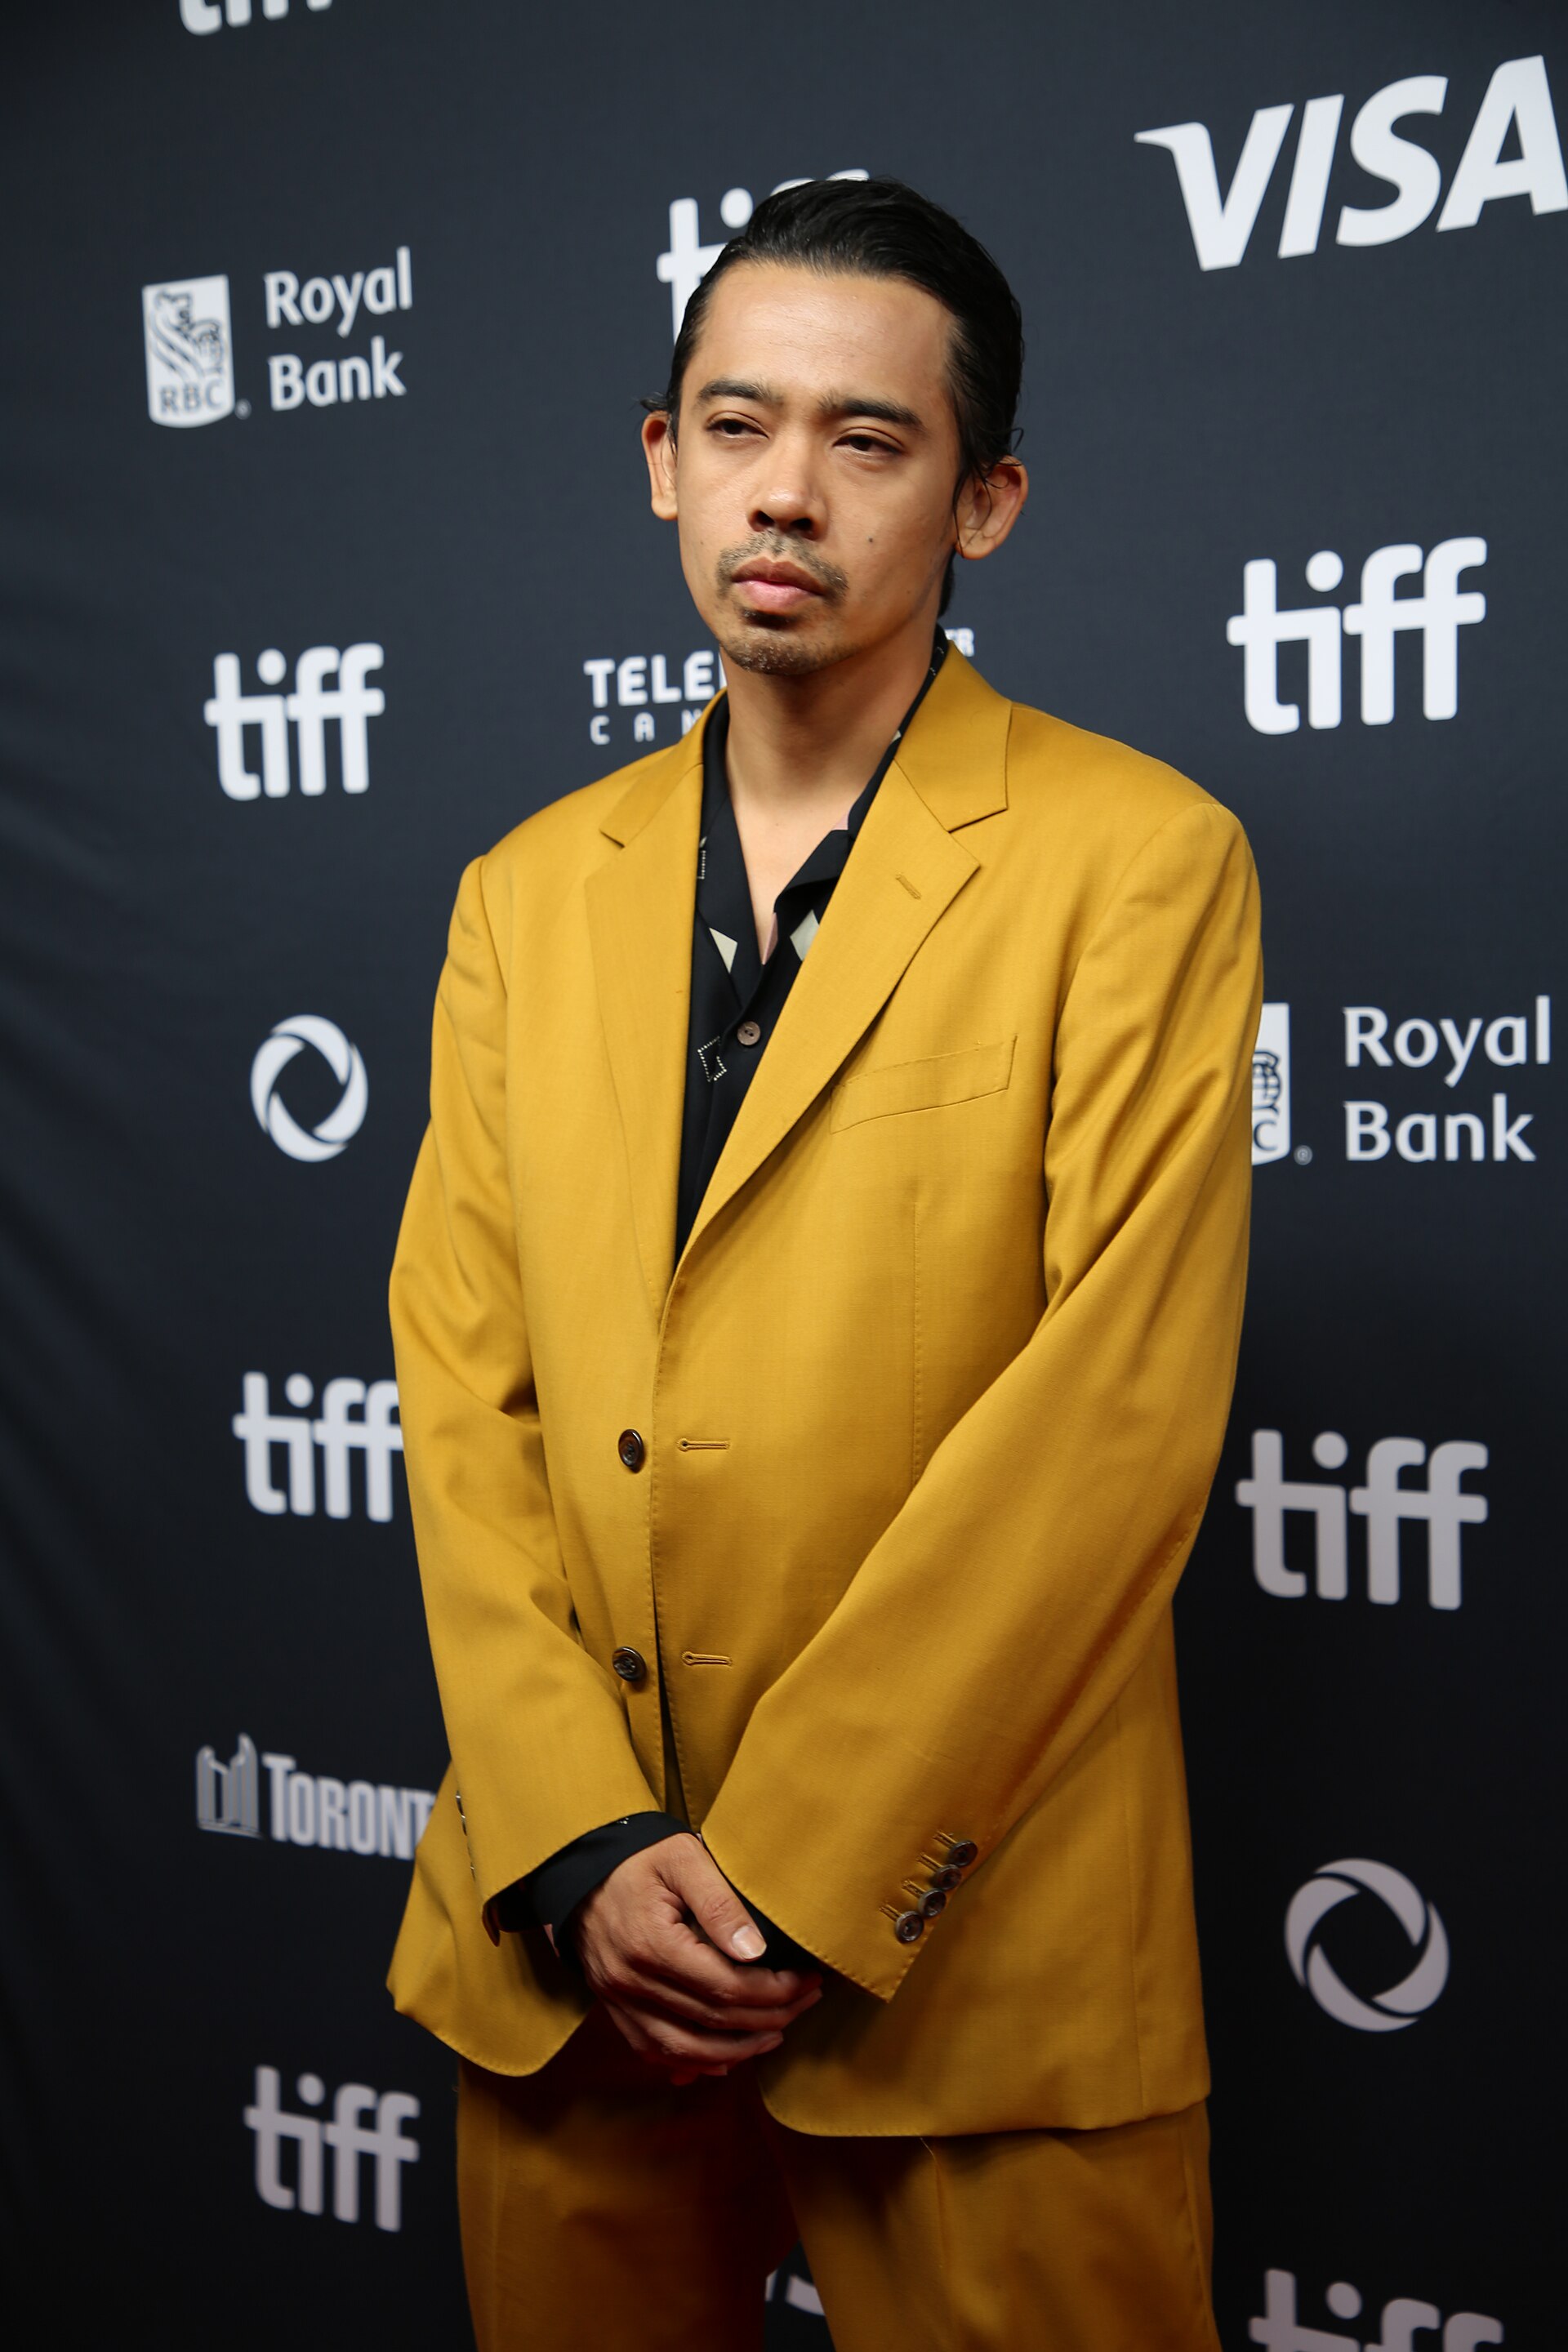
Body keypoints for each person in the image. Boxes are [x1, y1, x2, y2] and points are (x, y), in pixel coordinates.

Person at [388, 175, 1260, 2351]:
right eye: (740, 422)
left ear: (986, 502)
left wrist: (781, 1875)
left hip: (977, 1956)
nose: (791, 490)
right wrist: (587, 1849)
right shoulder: (522, 891)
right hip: (563, 1950)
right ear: (664, 459)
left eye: (869, 442)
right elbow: (462, 1389)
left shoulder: (1140, 862)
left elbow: (1114, 1422)